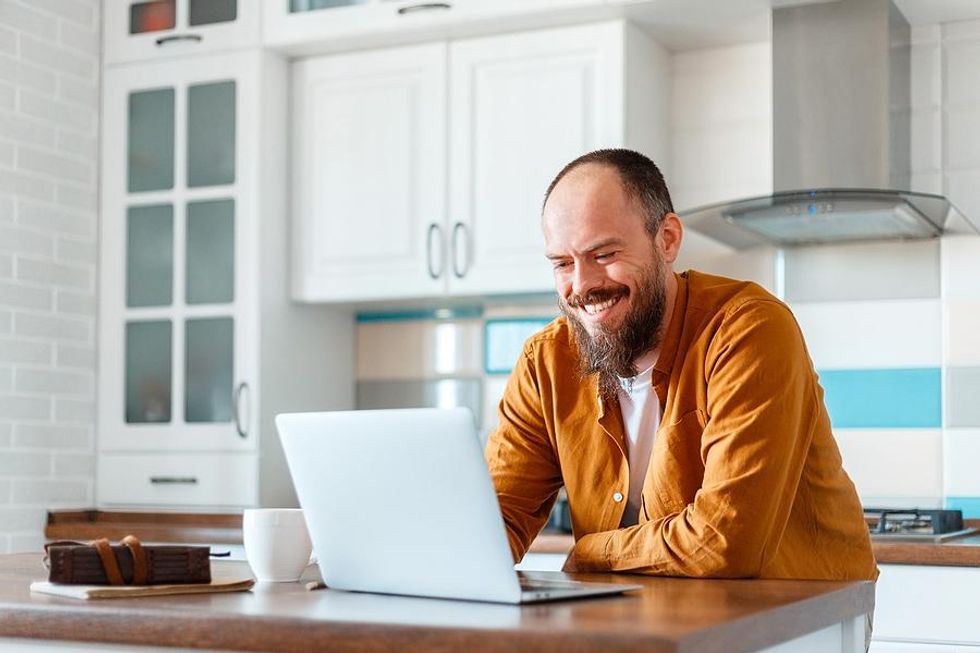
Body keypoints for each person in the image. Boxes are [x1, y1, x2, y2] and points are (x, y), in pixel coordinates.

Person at [485, 148, 878, 582]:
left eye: (604, 254)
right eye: (562, 263)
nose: (581, 285)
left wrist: (592, 550)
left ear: (667, 239)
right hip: (649, 618)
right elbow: (488, 524)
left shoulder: (749, 329)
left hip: (798, 621)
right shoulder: (546, 361)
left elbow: (724, 541)